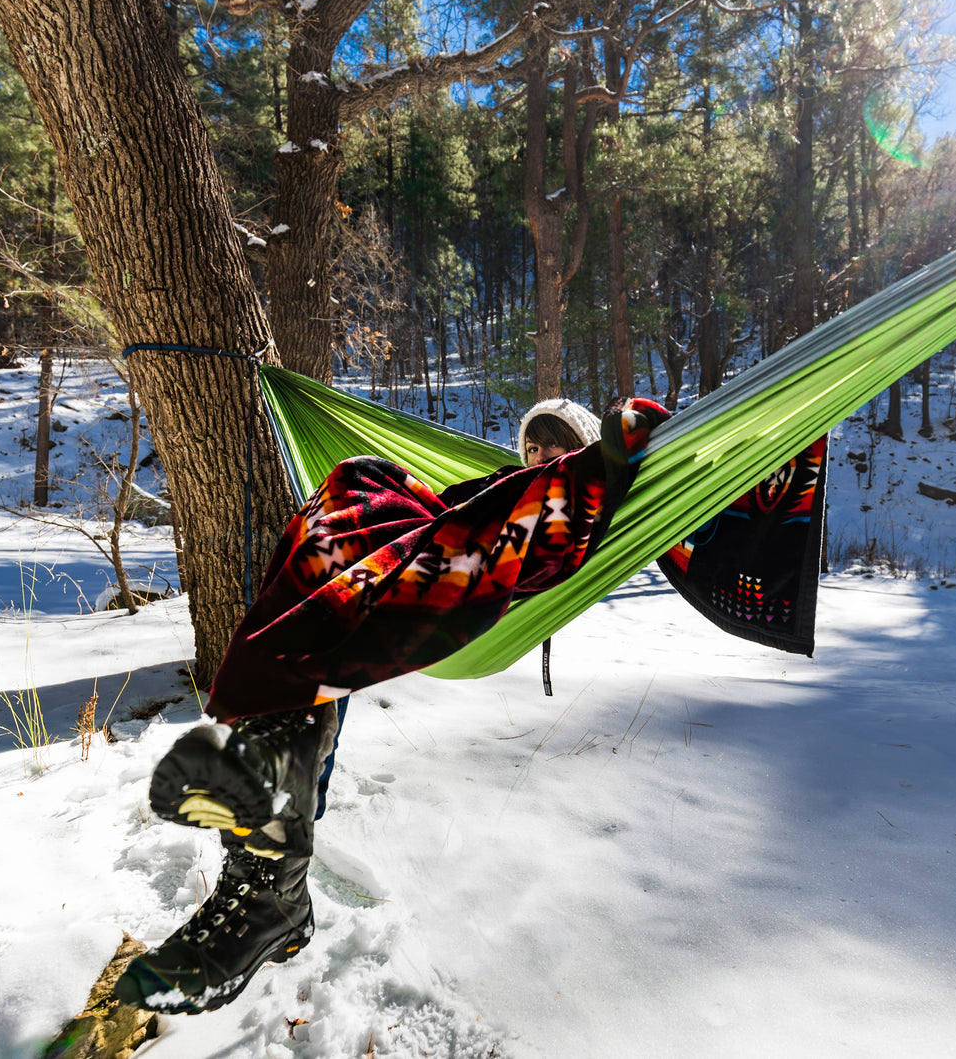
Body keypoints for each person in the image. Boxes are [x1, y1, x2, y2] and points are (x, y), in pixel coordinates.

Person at [115, 397, 662, 1014]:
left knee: (314, 633)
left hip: (465, 560)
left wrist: (598, 456)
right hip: (420, 551)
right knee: (351, 503)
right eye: (532, 448)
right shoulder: (503, 485)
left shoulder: (554, 495)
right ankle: (265, 875)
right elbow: (444, 509)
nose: (539, 456)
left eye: (555, 445)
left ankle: (269, 888)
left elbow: (541, 508)